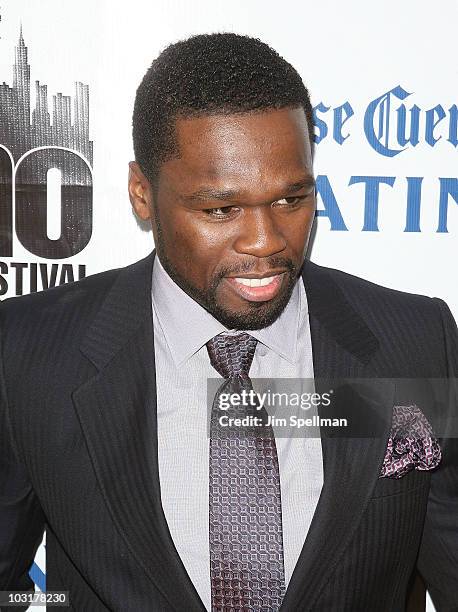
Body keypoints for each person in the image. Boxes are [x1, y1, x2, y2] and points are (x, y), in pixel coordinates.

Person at [0, 33, 457, 612]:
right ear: (143, 195)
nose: (266, 242)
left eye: (291, 200)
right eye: (221, 210)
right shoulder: (30, 354)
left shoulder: (415, 342)